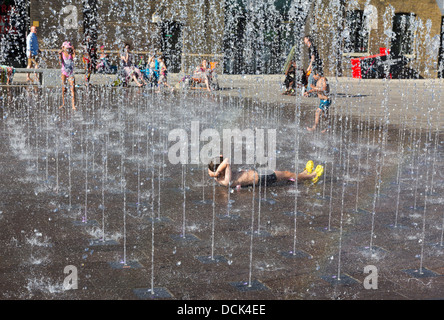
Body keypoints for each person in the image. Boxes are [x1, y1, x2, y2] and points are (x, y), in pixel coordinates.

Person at [208, 156, 324, 189]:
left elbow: (210, 169)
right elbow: (227, 161)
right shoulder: (226, 179)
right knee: (286, 174)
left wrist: (214, 173)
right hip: (261, 177)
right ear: (221, 169)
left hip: (260, 175)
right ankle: (311, 176)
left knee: (285, 175)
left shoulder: (218, 177)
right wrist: (217, 170)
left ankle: (304, 173)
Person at [59, 41, 76, 110]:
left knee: (72, 89)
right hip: (64, 73)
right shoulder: (62, 54)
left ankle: (73, 105)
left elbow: (75, 58)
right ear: (63, 48)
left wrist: (73, 50)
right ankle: (63, 103)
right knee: (64, 89)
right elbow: (60, 62)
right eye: (67, 48)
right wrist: (59, 55)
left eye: (69, 48)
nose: (68, 49)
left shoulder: (71, 54)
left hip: (70, 73)